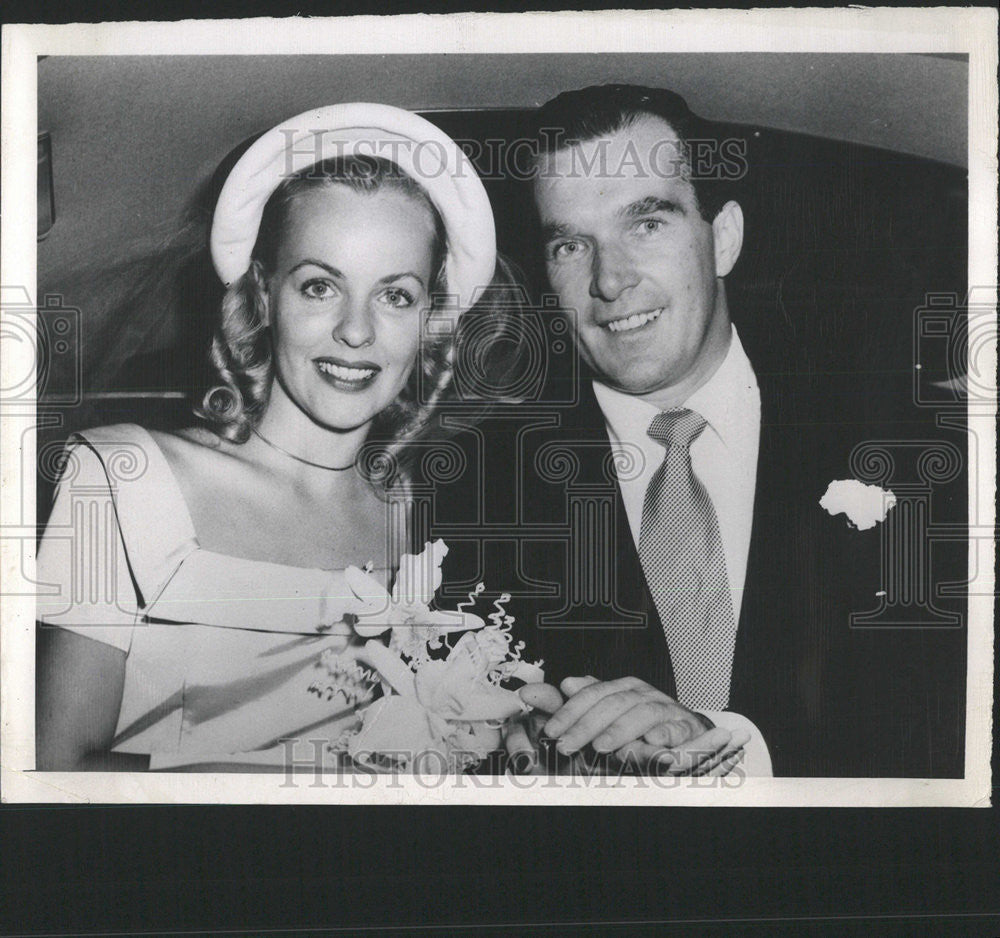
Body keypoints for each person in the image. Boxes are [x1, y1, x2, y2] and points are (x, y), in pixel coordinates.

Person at [490, 84, 965, 777]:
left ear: (725, 238)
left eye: (647, 224)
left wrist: (734, 752)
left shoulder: (910, 449)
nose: (611, 281)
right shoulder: (485, 485)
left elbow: (954, 730)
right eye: (570, 245)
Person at [34, 103, 513, 771]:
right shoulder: (121, 477)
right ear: (263, 297)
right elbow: (52, 775)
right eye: (320, 286)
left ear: (429, 322)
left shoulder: (414, 514)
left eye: (396, 295)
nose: (356, 331)